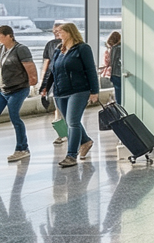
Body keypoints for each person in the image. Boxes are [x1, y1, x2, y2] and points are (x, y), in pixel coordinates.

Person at [40, 23, 99, 169]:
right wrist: (44, 87)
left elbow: (91, 70)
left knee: (72, 122)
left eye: (60, 31)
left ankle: (71, 155)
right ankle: (85, 141)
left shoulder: (83, 49)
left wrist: (94, 91)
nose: (57, 34)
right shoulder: (58, 50)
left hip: (79, 91)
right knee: (69, 122)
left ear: (70, 32)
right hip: (60, 92)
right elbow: (52, 71)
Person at [1, 25, 39, 163]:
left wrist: (33, 82)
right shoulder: (2, 49)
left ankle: (22, 148)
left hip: (18, 89)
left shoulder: (21, 49)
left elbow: (31, 69)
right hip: (3, 90)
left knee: (14, 117)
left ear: (9, 36)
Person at [39, 22, 68, 147]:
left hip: (66, 80)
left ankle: (67, 133)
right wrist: (43, 82)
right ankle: (62, 134)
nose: (56, 33)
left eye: (58, 31)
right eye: (54, 31)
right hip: (54, 79)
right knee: (58, 107)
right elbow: (47, 63)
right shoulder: (51, 45)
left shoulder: (71, 44)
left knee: (63, 108)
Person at [102, 31, 122, 105]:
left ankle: (118, 108)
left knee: (118, 94)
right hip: (119, 74)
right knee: (121, 95)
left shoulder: (110, 49)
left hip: (113, 74)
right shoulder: (120, 48)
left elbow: (107, 63)